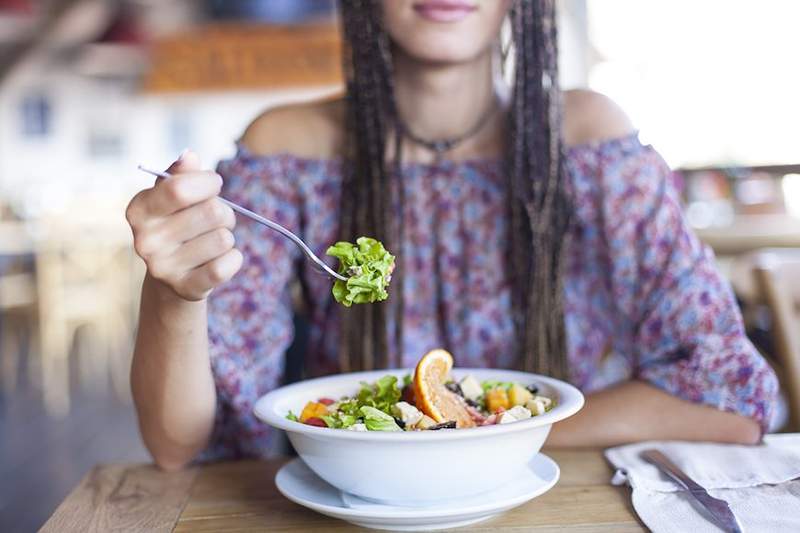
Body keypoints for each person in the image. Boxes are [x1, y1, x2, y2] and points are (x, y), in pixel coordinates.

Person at [124, 0, 778, 470]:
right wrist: (177, 295)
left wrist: (476, 436)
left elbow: (733, 402)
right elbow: (181, 443)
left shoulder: (591, 142)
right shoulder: (287, 151)